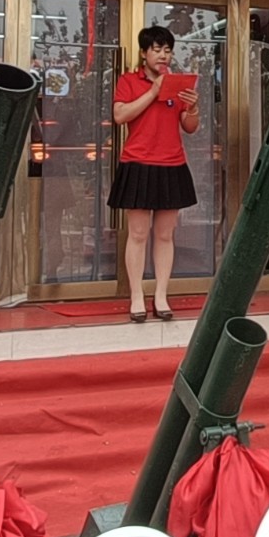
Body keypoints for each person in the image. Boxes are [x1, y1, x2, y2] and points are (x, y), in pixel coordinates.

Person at [108, 25, 200, 322]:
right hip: (138, 162)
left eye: (168, 50)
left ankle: (161, 295)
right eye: (157, 50)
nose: (163, 55)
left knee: (165, 234)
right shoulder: (128, 81)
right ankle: (136, 295)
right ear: (143, 53)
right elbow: (120, 115)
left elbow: (189, 127)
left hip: (172, 163)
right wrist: (154, 91)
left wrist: (193, 108)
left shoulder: (177, 84)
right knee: (137, 233)